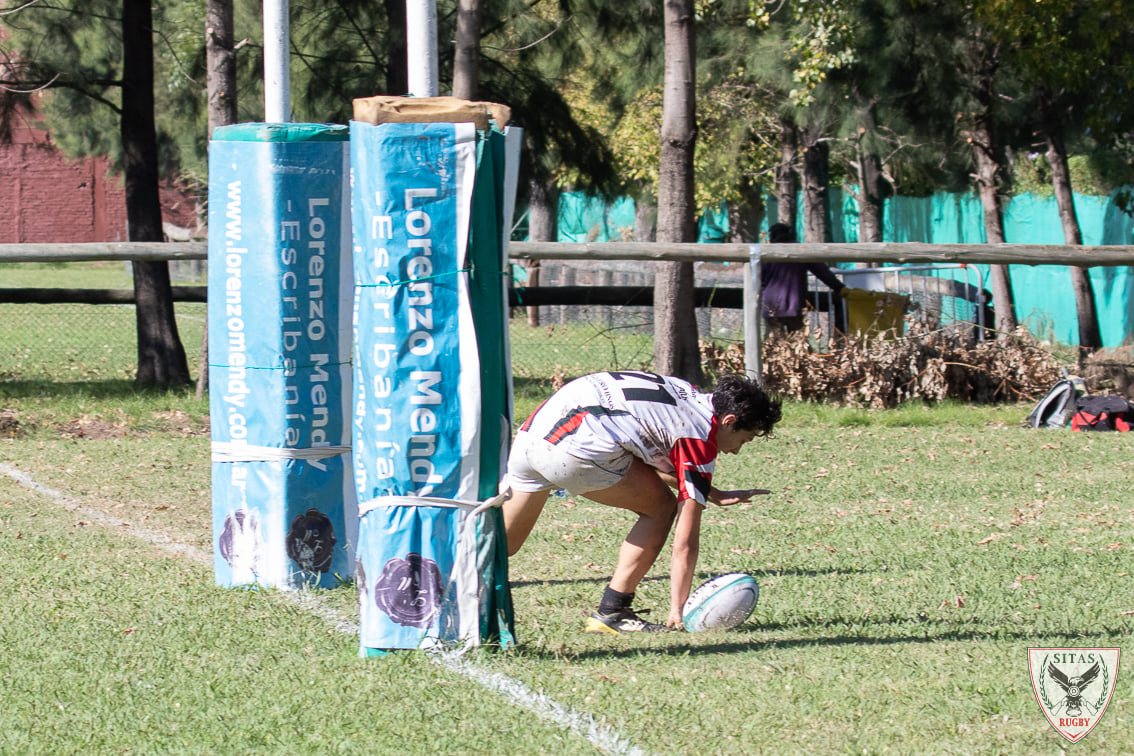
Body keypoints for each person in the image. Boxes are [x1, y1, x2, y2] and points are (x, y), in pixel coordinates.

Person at [501, 370, 782, 633]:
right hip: (575, 449)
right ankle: (614, 611)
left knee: (503, 545)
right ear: (729, 421)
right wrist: (677, 608)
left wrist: (711, 491)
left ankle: (459, 575)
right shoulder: (698, 436)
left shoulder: (688, 392)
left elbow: (644, 456)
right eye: (743, 440)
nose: (735, 451)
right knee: (661, 508)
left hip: (534, 433)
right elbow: (685, 542)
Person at [761, 222, 845, 334]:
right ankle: (840, 340)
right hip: (794, 305)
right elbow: (823, 272)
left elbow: (757, 278)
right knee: (797, 342)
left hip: (770, 306)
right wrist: (840, 288)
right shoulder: (800, 250)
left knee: (775, 344)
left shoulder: (766, 253)